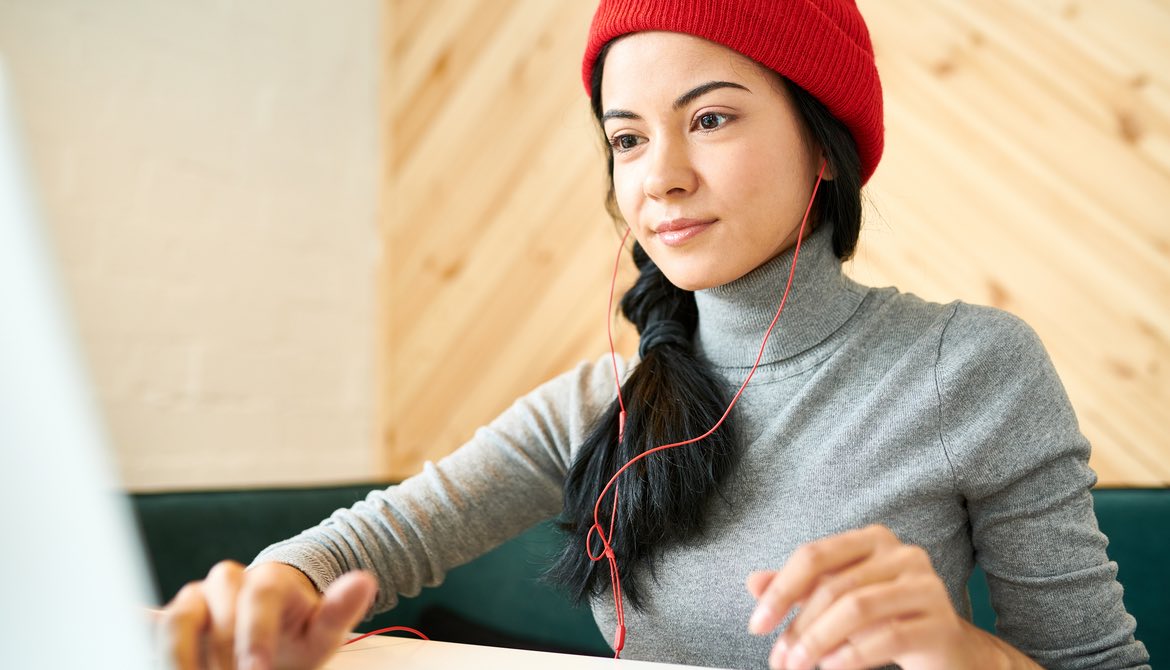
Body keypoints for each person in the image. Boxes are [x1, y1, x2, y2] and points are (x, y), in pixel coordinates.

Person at [158, 1, 1151, 669]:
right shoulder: (602, 405)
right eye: (627, 137)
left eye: (710, 119)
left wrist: (958, 650)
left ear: (823, 144)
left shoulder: (971, 366)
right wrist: (265, 603)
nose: (658, 177)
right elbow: (366, 542)